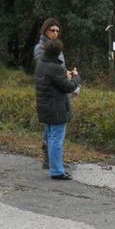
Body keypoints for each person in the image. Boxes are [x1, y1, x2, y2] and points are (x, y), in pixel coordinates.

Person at [33, 18, 79, 169]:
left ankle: (53, 161)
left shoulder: (56, 46)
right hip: (50, 93)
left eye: (58, 31)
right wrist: (70, 79)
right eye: (52, 30)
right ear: (45, 30)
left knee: (52, 129)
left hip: (58, 90)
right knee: (52, 130)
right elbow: (48, 69)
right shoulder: (41, 47)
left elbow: (58, 68)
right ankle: (51, 162)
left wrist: (67, 74)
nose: (55, 33)